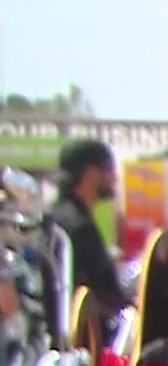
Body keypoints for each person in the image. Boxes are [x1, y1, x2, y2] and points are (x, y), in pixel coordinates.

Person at [48, 139, 128, 337]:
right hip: (80, 342)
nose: (114, 177)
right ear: (91, 174)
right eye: (109, 169)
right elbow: (105, 293)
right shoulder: (79, 227)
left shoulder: (55, 217)